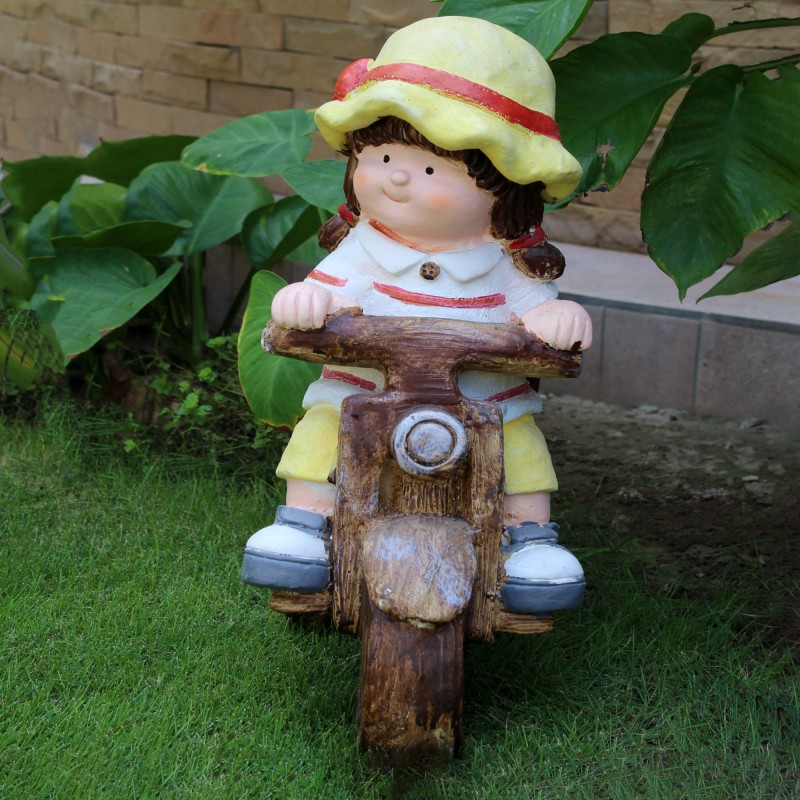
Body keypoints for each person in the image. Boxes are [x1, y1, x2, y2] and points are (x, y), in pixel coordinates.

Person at [241, 16, 593, 614]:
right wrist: (309, 301)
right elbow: (324, 289)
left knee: (520, 444)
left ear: (505, 186)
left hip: (486, 404)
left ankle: (528, 538)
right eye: (379, 155)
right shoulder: (362, 250)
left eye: (430, 168)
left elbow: (538, 308)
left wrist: (555, 319)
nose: (397, 177)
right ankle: (304, 523)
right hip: (362, 395)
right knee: (323, 425)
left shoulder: (503, 262)